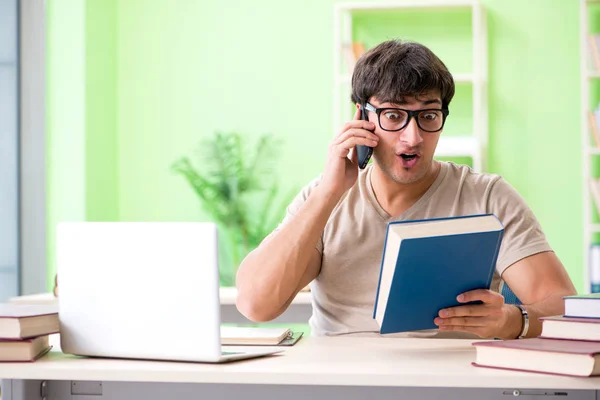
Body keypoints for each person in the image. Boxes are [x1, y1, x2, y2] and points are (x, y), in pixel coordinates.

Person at [235, 39, 577, 340]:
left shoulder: (487, 196)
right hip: (341, 382)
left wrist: (512, 321)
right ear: (361, 117)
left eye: (428, 116)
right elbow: (255, 305)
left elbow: (563, 309)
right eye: (394, 115)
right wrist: (328, 193)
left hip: (452, 382)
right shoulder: (324, 198)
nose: (413, 138)